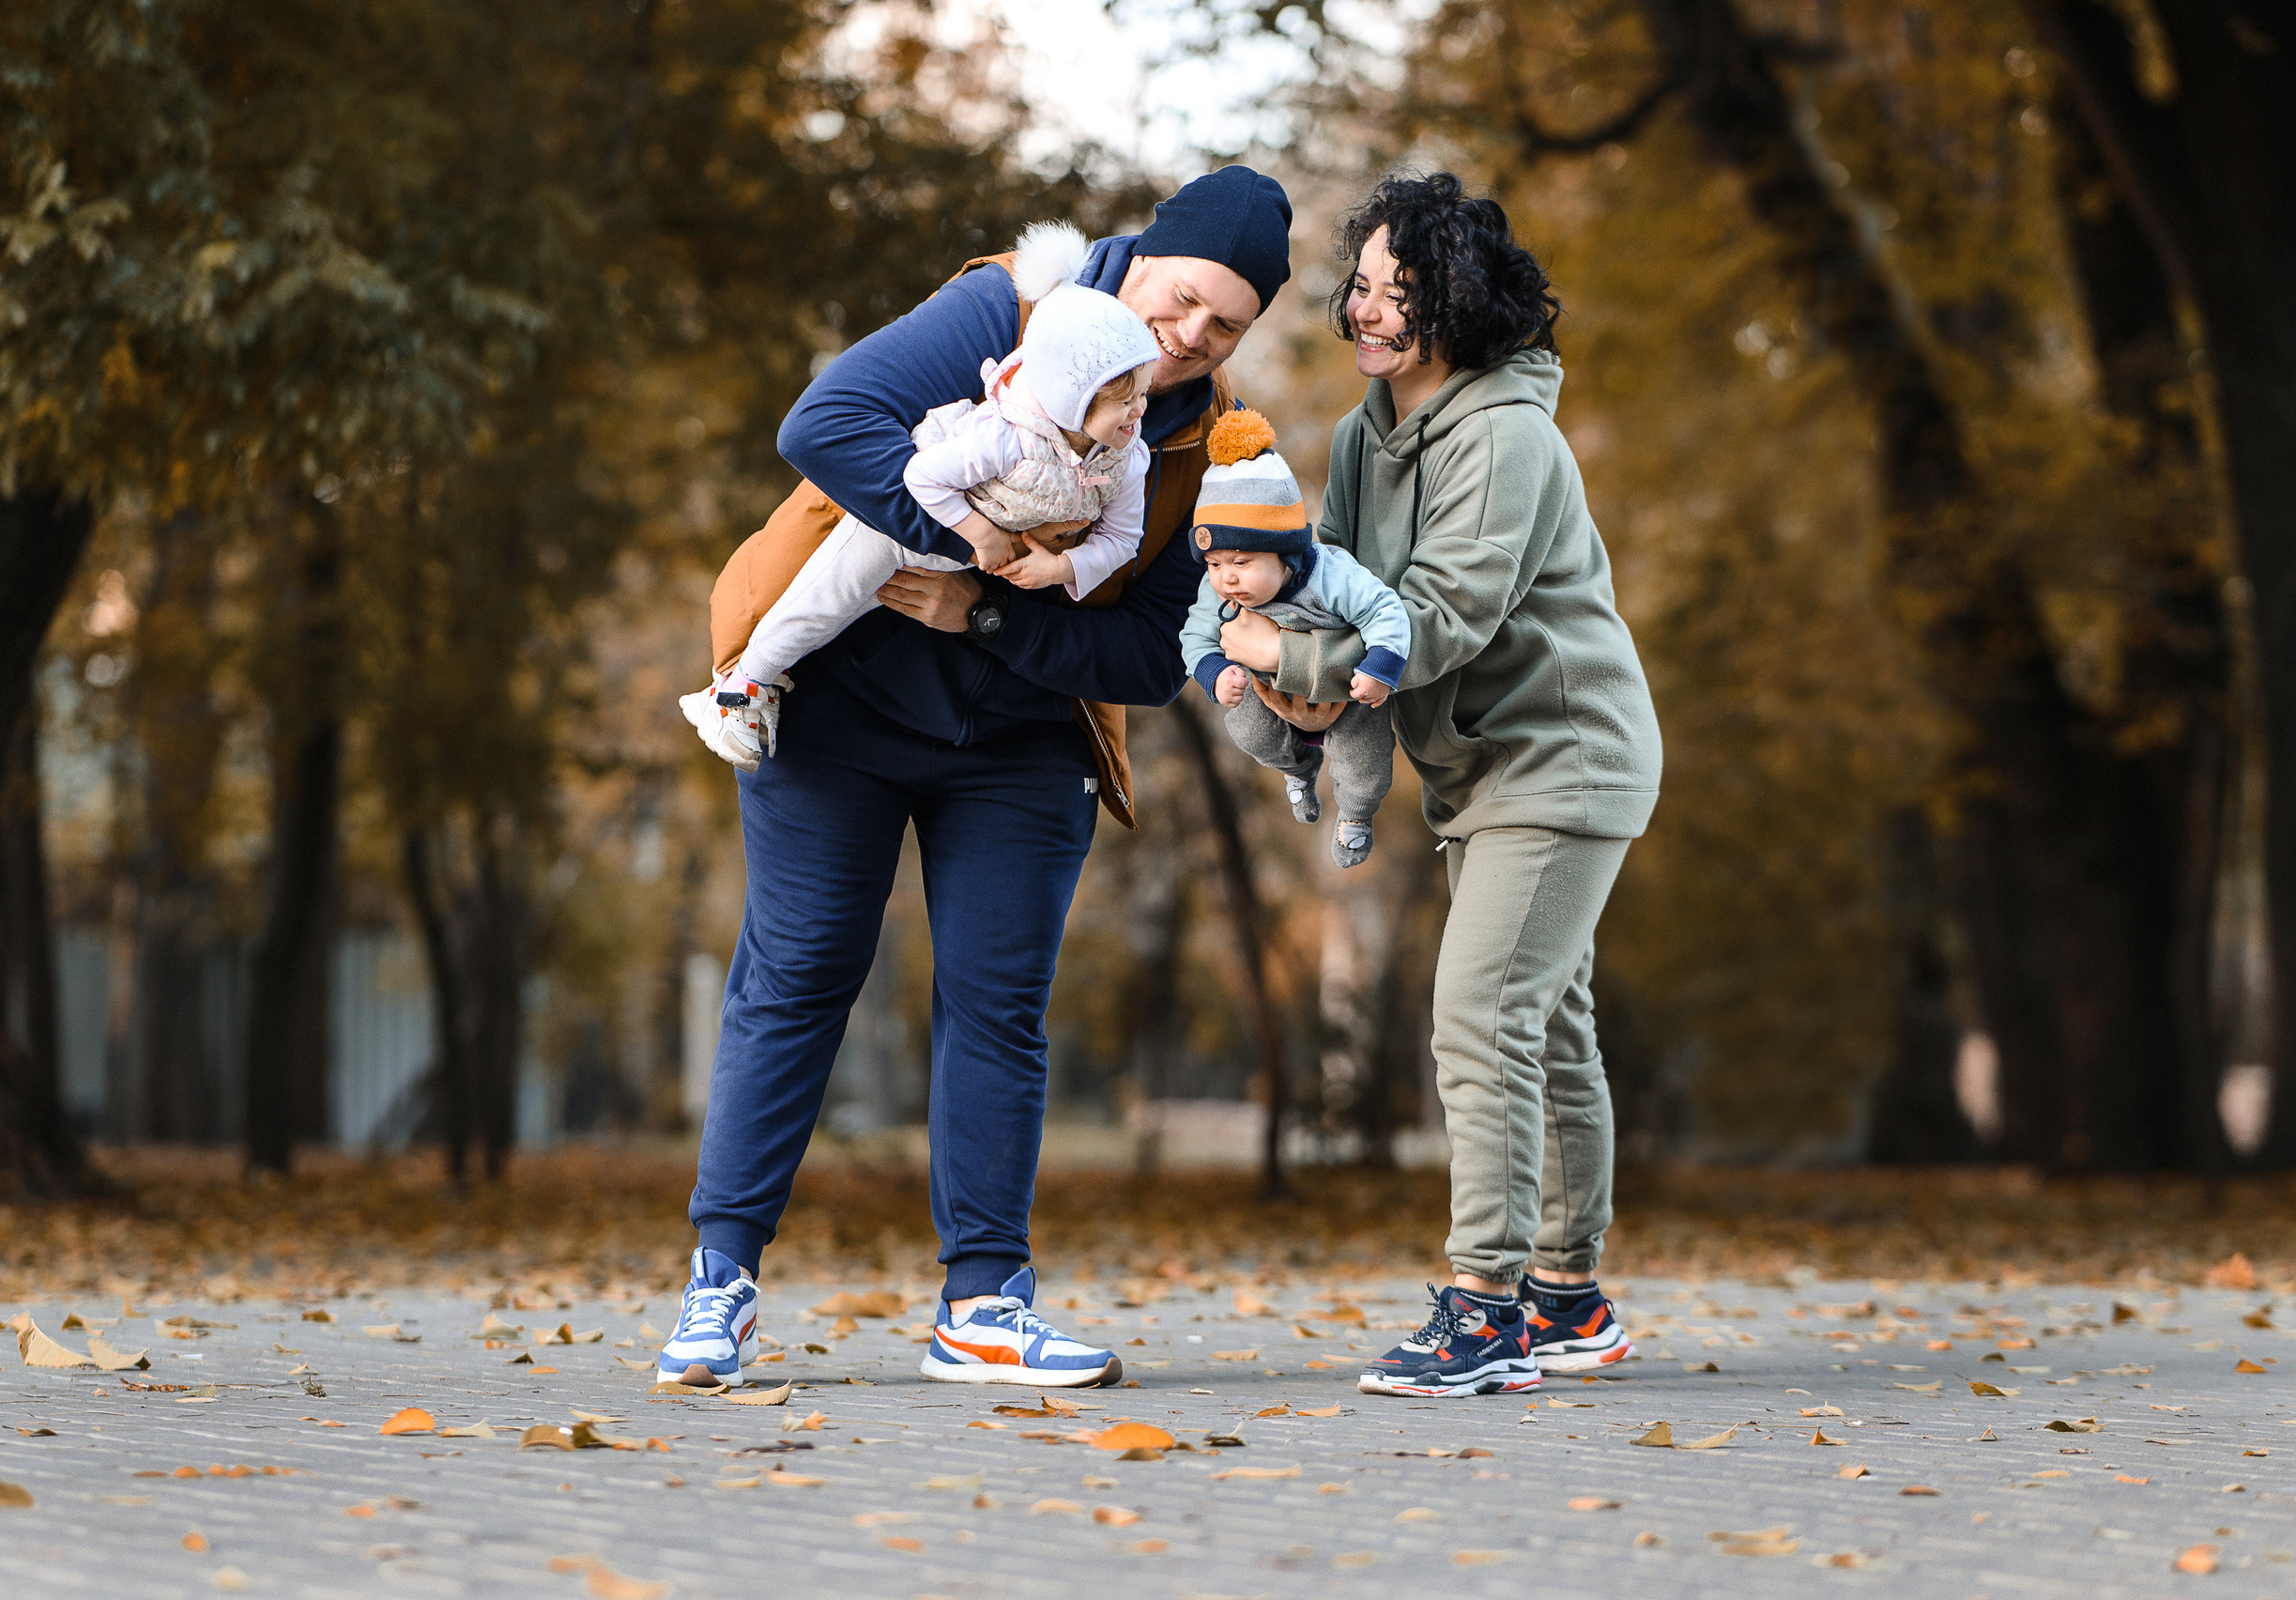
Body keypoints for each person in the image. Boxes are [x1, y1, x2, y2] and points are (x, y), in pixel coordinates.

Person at [658, 165, 1293, 1390]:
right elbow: (824, 427)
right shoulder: (1007, 307)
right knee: (799, 975)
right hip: (840, 701)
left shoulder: (1203, 439)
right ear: (1140, 258)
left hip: (1021, 740)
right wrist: (967, 538)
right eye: (1180, 299)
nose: (1189, 337)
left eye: (1226, 325)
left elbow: (1152, 651)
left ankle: (984, 1305)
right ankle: (719, 1283)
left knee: (998, 1005)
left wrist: (985, 614)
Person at [1217, 171, 1662, 1398]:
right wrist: (1287, 678)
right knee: (1546, 1027)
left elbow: (1444, 616)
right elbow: (1340, 589)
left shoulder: (1508, 435)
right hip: (1482, 769)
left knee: (1479, 1018)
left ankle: (1486, 1310)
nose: (1363, 310)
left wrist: (1289, 663)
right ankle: (1567, 1301)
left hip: (1563, 757)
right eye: (1359, 285)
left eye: (1395, 291)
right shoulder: (1369, 436)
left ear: (1456, 301)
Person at [680, 226, 1162, 771]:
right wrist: (979, 536)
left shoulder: (1125, 459)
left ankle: (745, 687)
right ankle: (737, 693)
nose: (1140, 412)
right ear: (1071, 400)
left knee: (844, 613)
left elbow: (1124, 537)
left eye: (1143, 393)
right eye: (1124, 401)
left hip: (950, 563)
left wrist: (1062, 568)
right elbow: (923, 478)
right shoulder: (1006, 439)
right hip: (897, 529)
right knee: (823, 604)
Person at [1176, 408, 1411, 867]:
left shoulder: (1330, 576)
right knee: (1247, 727)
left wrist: (1380, 666)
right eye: (1213, 563)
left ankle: (1356, 815)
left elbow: (1384, 609)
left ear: (1284, 551)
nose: (1225, 578)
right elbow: (1195, 637)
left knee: (1364, 755)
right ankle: (1297, 768)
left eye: (1240, 562)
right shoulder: (1217, 590)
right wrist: (1215, 673)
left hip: (1343, 689)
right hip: (1268, 690)